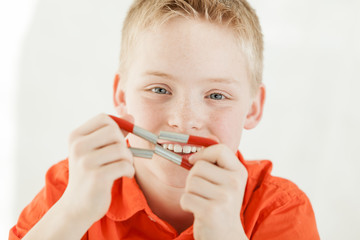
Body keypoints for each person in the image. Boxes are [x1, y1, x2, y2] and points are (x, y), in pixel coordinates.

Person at [9, 0, 320, 239]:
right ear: (122, 96)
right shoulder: (74, 185)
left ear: (253, 108)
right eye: (159, 89)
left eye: (216, 96)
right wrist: (73, 212)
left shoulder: (278, 208)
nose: (184, 121)